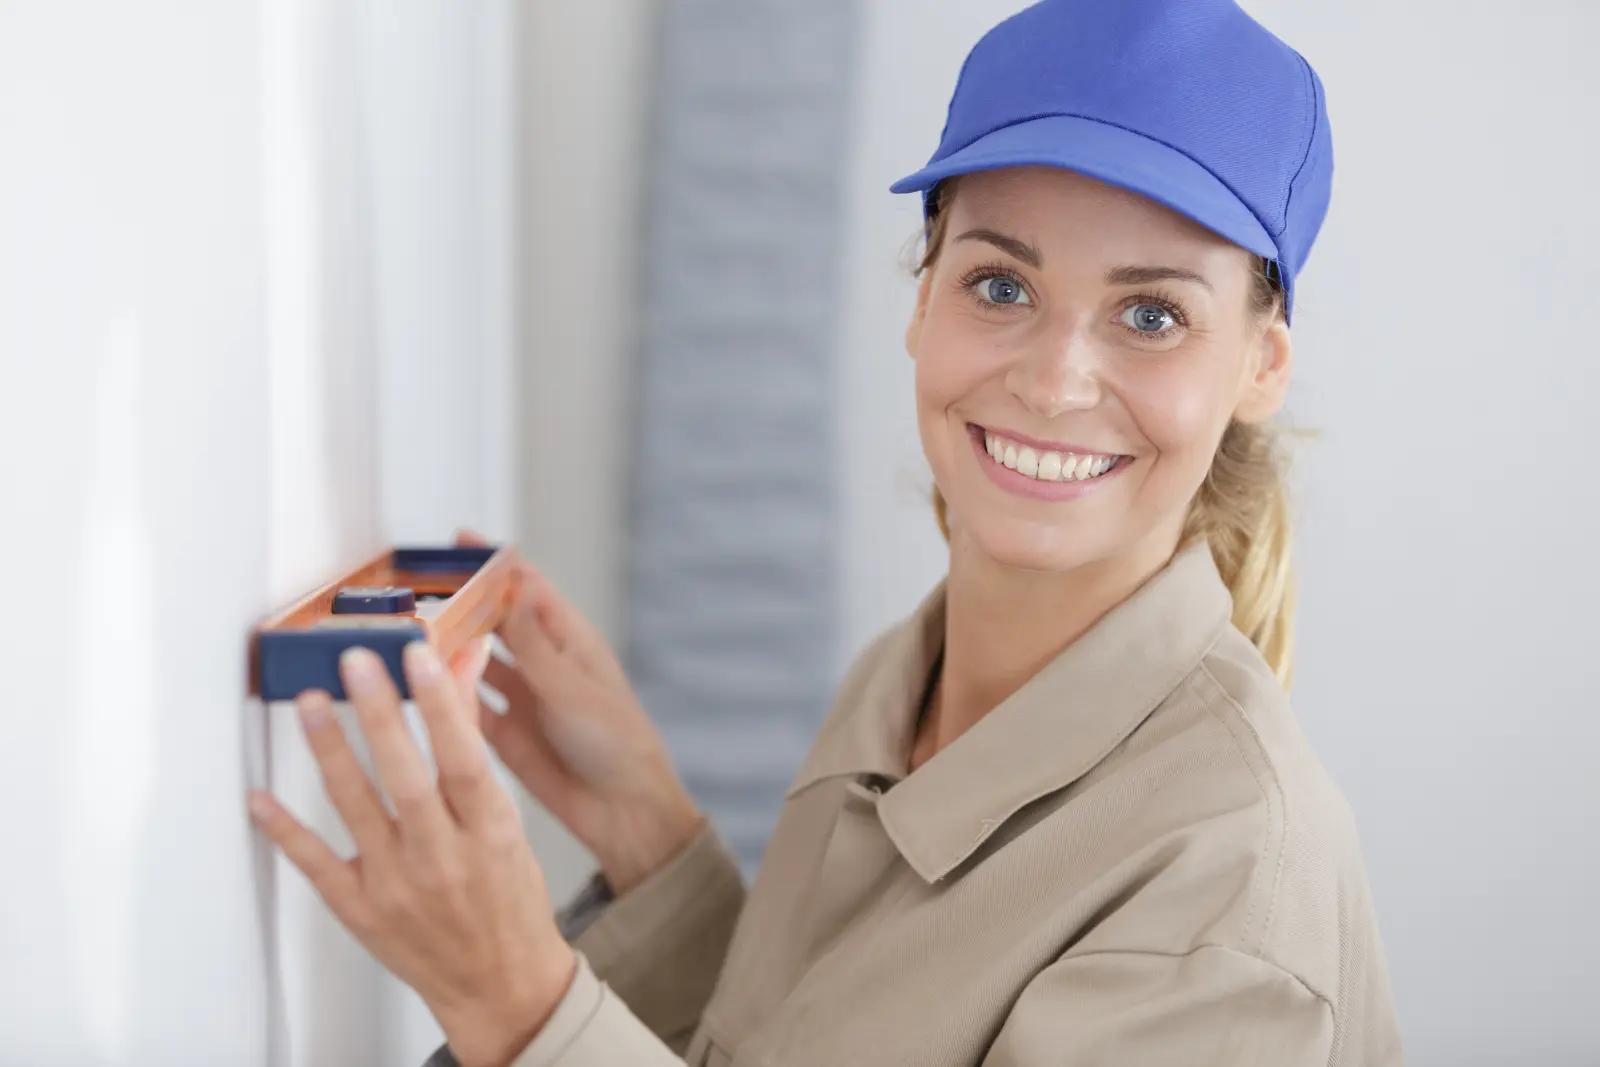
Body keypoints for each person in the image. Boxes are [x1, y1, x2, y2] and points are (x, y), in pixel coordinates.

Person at [246, 0, 1405, 1063]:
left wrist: (520, 1004)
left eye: (1151, 314)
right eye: (1000, 285)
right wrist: (662, 856)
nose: (1055, 382)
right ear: (922, 294)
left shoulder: (1225, 892)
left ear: (1260, 364)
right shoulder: (905, 682)